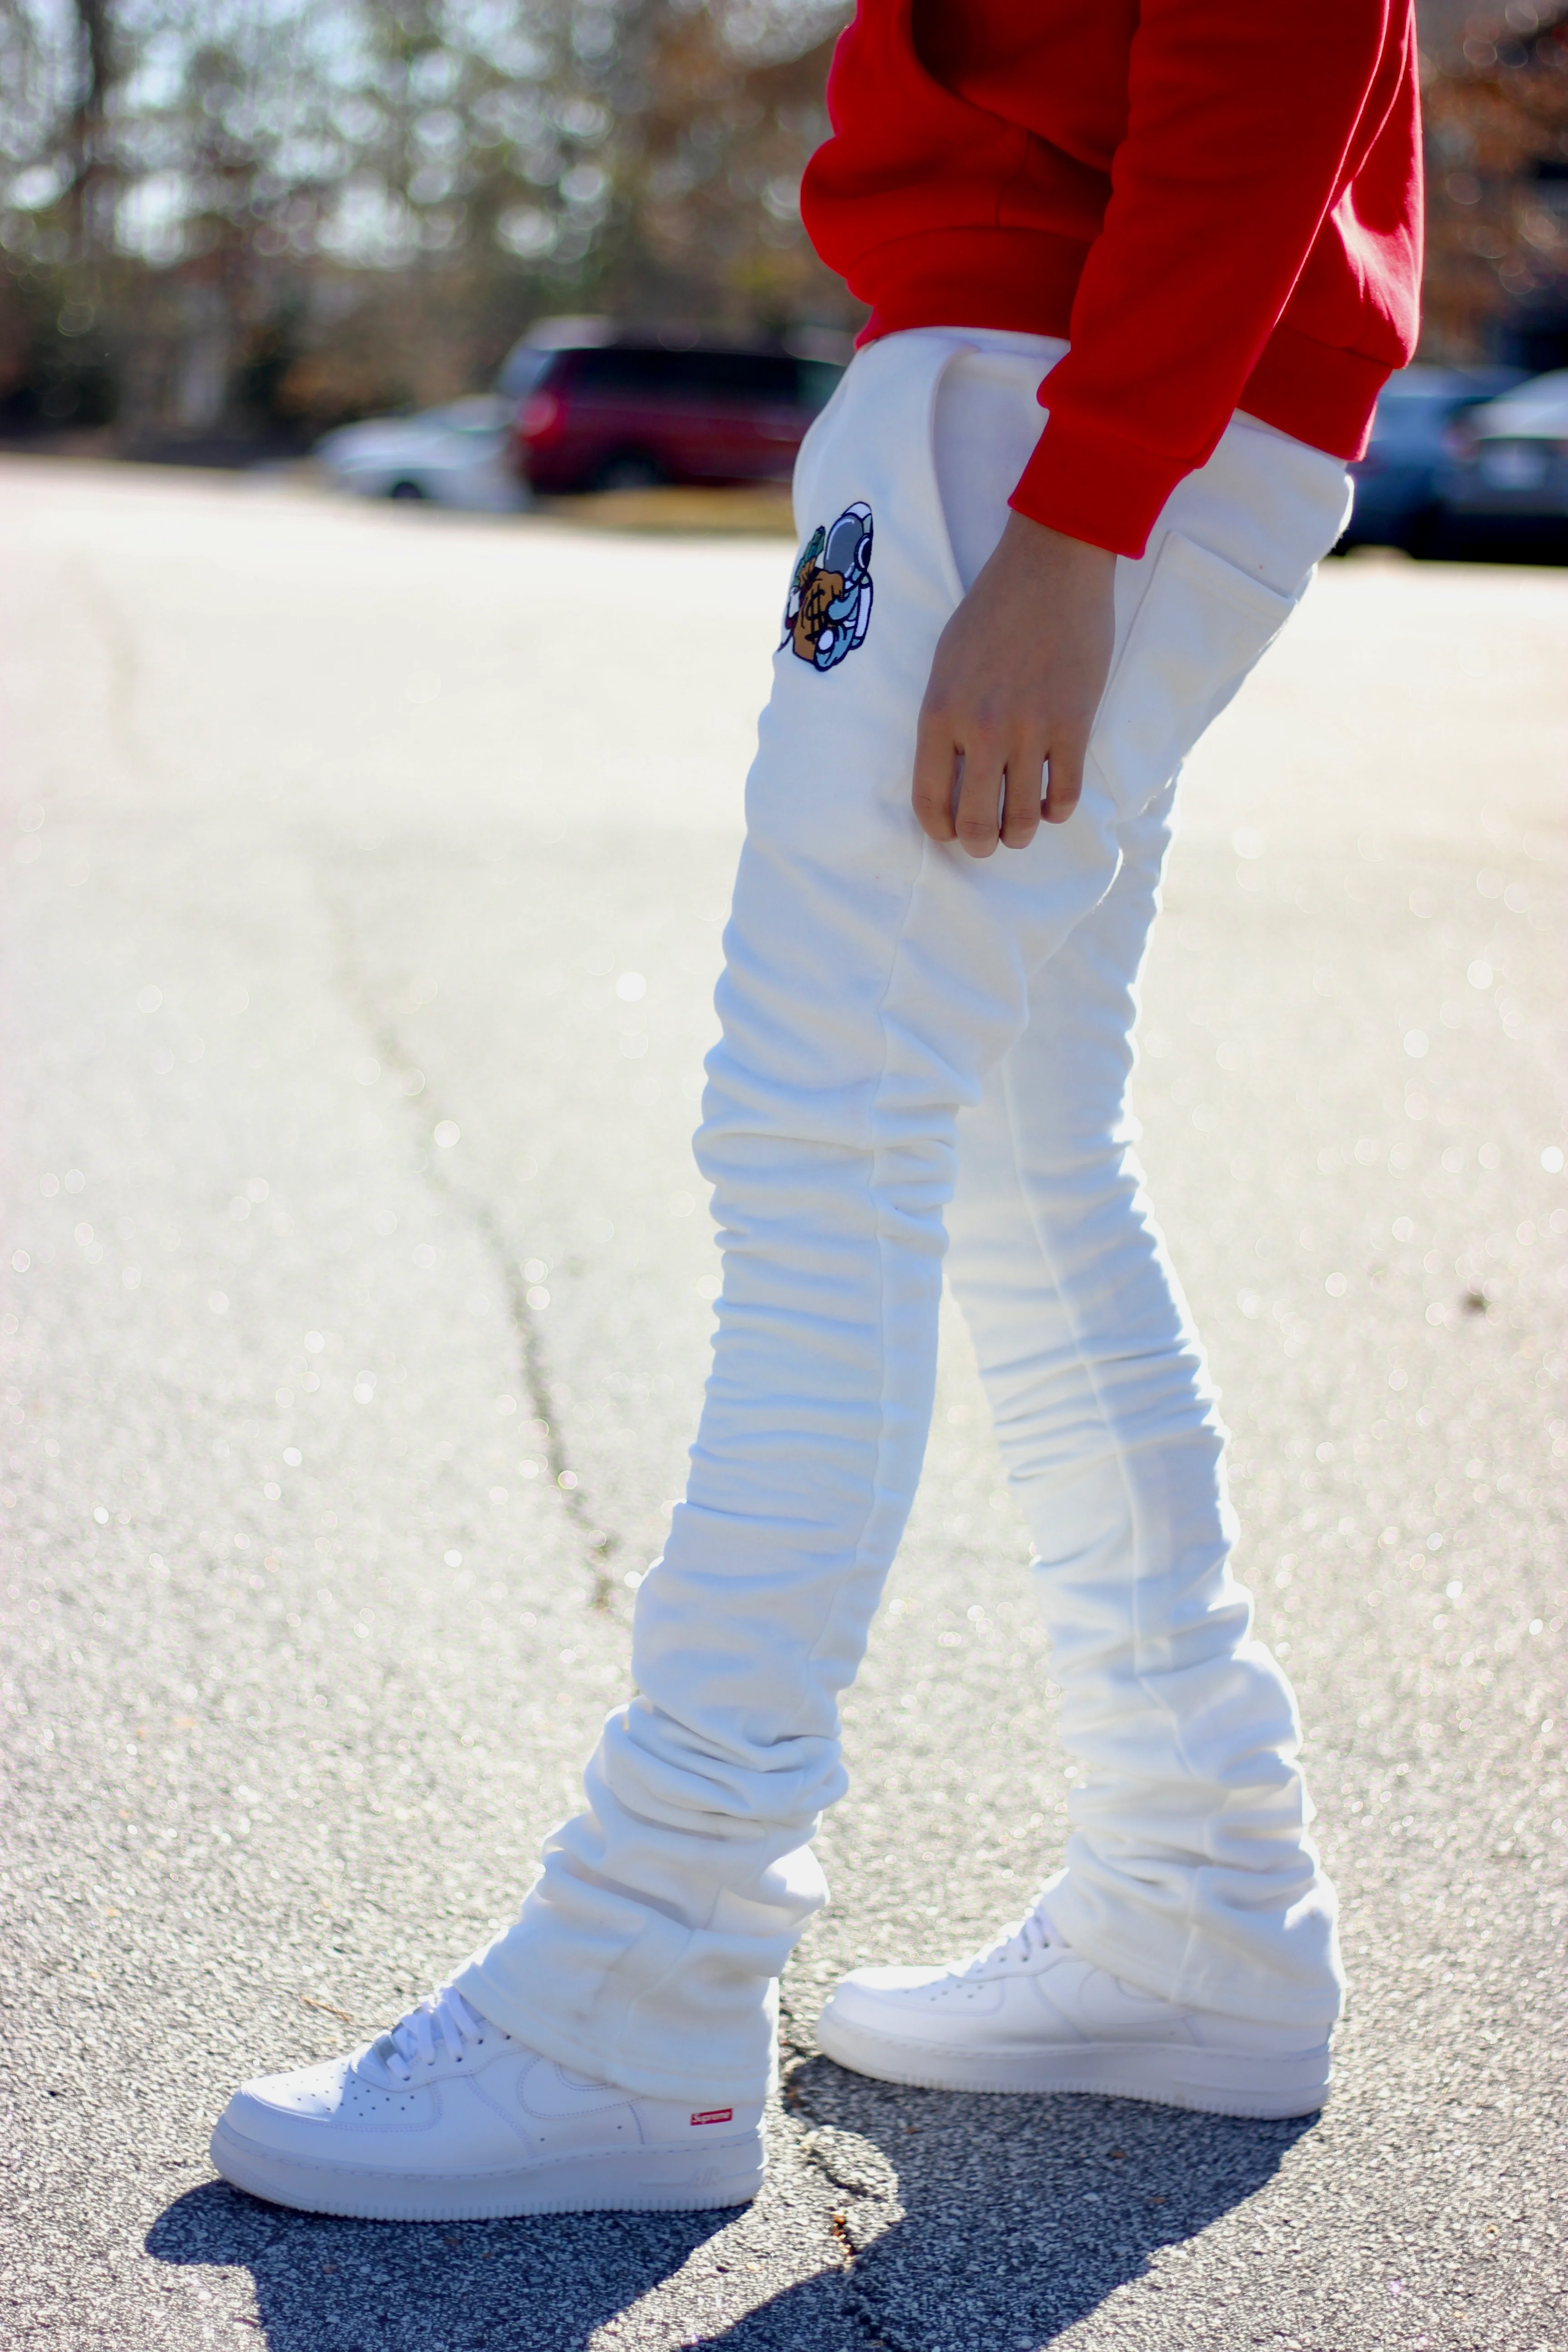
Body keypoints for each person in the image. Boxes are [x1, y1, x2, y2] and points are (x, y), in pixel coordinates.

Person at [211, 0, 1421, 2220]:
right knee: (1014, 1159)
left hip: (1057, 380)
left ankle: (643, 1977)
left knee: (820, 1137)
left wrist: (1081, 504)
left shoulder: (1070, 422)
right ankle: (1202, 1899)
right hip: (1065, 366)